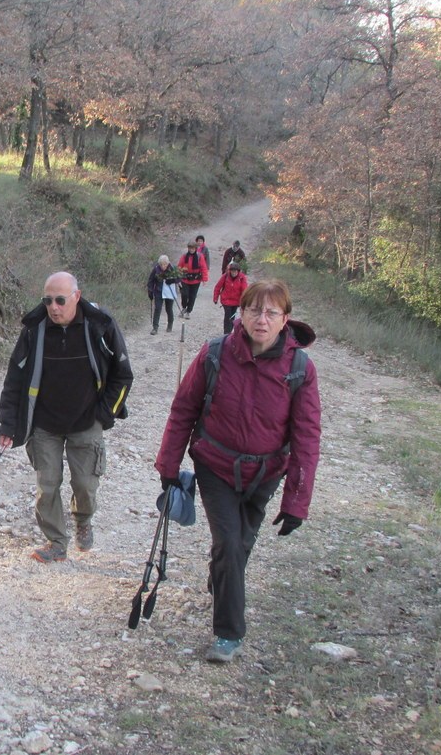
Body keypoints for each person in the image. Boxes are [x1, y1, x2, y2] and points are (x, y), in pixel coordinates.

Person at [155, 279, 321, 662]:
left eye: (271, 312)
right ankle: (228, 635)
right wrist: (169, 465)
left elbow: (307, 437)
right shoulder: (215, 353)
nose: (261, 319)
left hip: (266, 473)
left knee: (239, 547)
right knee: (229, 543)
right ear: (240, 314)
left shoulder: (299, 368)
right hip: (215, 466)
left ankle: (222, 581)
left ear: (285, 320)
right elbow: (183, 409)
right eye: (253, 310)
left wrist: (297, 501)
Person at [0, 272, 133, 563]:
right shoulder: (35, 331)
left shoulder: (100, 325)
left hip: (87, 421)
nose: (53, 307)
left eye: (60, 300)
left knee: (85, 484)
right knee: (47, 485)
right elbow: (14, 379)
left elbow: (123, 375)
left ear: (77, 296)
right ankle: (56, 541)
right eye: (48, 300)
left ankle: (82, 520)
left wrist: (105, 414)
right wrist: (8, 423)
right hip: (45, 424)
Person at [146, 255, 181, 335]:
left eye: (164, 264)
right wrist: (150, 291)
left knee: (169, 309)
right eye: (161, 264)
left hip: (169, 292)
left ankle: (170, 324)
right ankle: (155, 328)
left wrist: (172, 280)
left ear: (167, 263)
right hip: (159, 291)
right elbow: (150, 280)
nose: (163, 266)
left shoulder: (172, 268)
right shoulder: (156, 269)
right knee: (157, 309)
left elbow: (179, 278)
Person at [213, 260, 248, 334]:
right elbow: (218, 287)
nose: (234, 273)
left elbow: (244, 290)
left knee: (232, 317)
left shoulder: (242, 278)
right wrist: (215, 298)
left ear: (238, 271)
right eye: (232, 271)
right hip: (226, 300)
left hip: (236, 301)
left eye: (235, 271)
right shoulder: (225, 276)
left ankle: (229, 332)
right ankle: (226, 332)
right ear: (230, 271)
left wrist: (244, 301)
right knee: (227, 316)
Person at [178, 240, 209, 319]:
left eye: (193, 248)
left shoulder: (200, 256)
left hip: (196, 280)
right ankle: (184, 307)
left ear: (195, 248)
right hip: (185, 279)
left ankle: (188, 311)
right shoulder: (184, 256)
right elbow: (179, 266)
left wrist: (204, 279)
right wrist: (178, 276)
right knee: (184, 294)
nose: (191, 250)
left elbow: (203, 268)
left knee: (192, 296)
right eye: (190, 248)